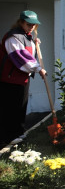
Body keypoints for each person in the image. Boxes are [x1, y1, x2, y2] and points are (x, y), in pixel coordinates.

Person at [0, 10, 47, 147]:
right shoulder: (13, 37)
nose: (31, 26)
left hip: (22, 78)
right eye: (28, 24)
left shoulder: (27, 36)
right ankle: (7, 137)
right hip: (9, 79)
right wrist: (38, 68)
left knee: (21, 106)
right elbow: (21, 57)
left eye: (34, 24)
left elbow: (29, 52)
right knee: (10, 109)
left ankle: (18, 132)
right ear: (20, 22)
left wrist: (34, 43)